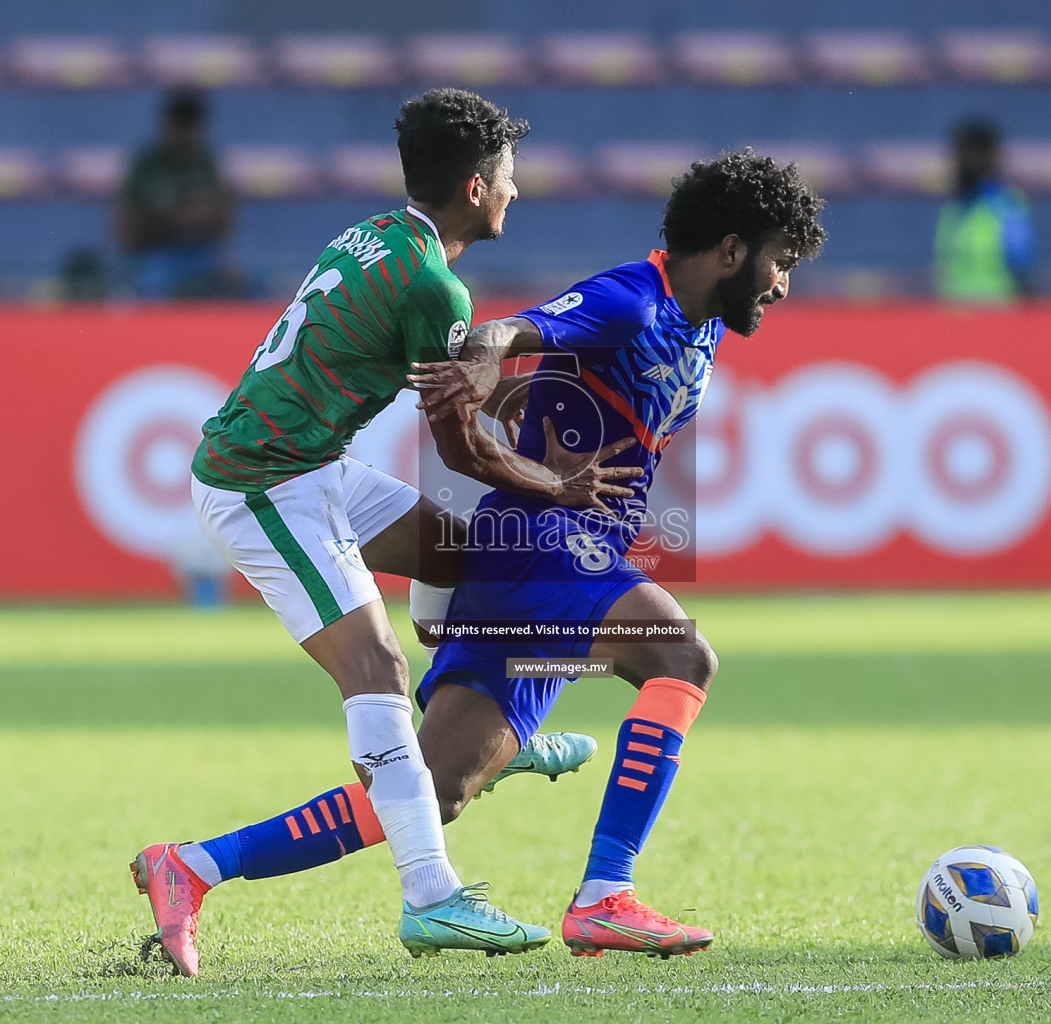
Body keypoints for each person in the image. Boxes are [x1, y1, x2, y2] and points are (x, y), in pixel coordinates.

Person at [136, 149, 824, 966]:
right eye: (780, 261)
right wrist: (487, 366)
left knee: (434, 790)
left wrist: (515, 396)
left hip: (539, 557)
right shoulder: (634, 300)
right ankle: (607, 894)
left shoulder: (700, 319)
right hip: (546, 545)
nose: (783, 285)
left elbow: (549, 382)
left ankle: (195, 865)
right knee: (681, 655)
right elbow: (504, 331)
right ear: (733, 250)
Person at [130, 89, 637, 976]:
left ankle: (478, 739)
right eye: (510, 178)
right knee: (378, 670)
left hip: (311, 462)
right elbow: (465, 449)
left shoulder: (376, 234)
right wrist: (560, 485)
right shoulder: (432, 283)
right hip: (263, 485)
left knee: (460, 553)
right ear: (477, 186)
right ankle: (434, 897)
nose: (517, 193)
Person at [116, 89, 235, 299]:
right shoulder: (147, 166)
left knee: (238, 284)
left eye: (190, 128)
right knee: (153, 287)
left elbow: (224, 224)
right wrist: (180, 217)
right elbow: (128, 233)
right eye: (180, 127)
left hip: (201, 257)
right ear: (168, 127)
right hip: (154, 258)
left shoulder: (206, 164)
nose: (184, 136)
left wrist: (175, 214)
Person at [933, 118, 1036, 303]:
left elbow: (1022, 265)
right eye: (960, 155)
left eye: (972, 155)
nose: (963, 163)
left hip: (997, 316)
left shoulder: (1006, 205)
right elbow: (944, 273)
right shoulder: (952, 208)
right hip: (955, 317)